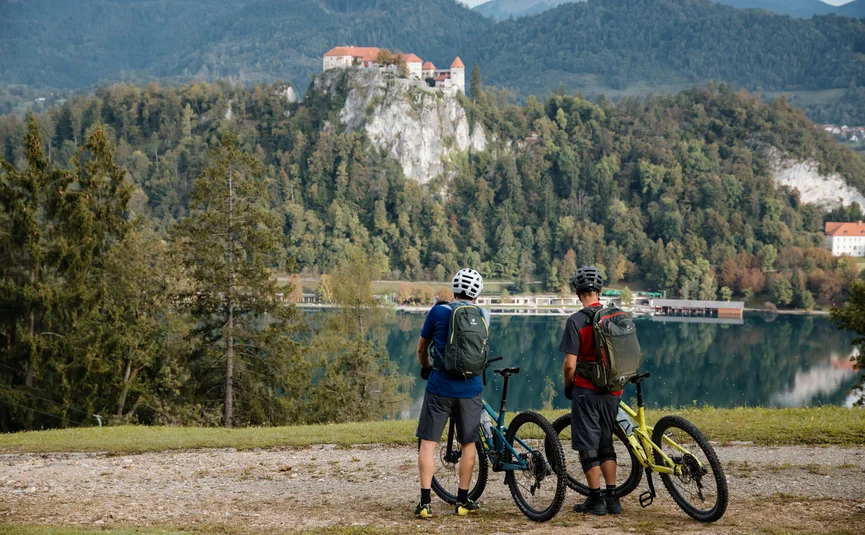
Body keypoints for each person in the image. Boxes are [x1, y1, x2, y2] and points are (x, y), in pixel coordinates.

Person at [414, 268, 489, 518]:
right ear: (477, 294)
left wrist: (426, 367)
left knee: (428, 443)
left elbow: (421, 348)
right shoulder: (482, 315)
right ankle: (462, 501)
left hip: (439, 387)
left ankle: (425, 504)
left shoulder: (438, 311)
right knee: (468, 445)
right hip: (470, 389)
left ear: (454, 288)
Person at [559, 266, 622, 516]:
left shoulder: (576, 321)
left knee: (588, 445)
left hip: (587, 391)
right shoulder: (616, 315)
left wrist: (568, 385)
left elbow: (570, 364)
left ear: (577, 292)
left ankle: (595, 500)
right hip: (613, 391)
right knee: (606, 442)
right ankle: (613, 498)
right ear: (600, 291)